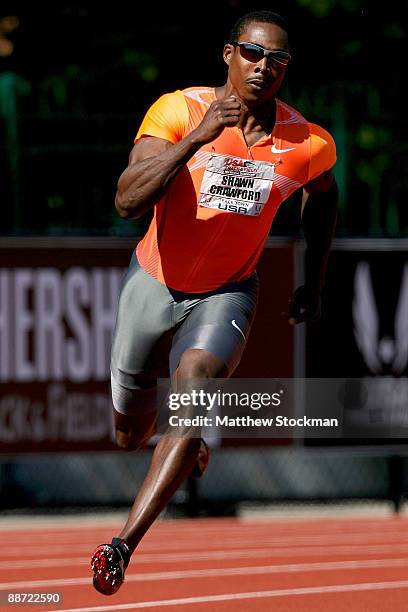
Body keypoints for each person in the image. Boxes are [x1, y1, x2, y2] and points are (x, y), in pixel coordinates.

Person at [91, 9, 338, 595]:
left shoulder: (307, 142)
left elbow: (324, 198)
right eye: (252, 53)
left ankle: (121, 545)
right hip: (153, 282)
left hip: (228, 291)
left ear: (287, 69)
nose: (263, 67)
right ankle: (189, 443)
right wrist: (200, 139)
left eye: (277, 59)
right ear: (228, 54)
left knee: (195, 384)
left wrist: (315, 278)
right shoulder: (179, 110)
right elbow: (128, 200)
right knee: (129, 434)